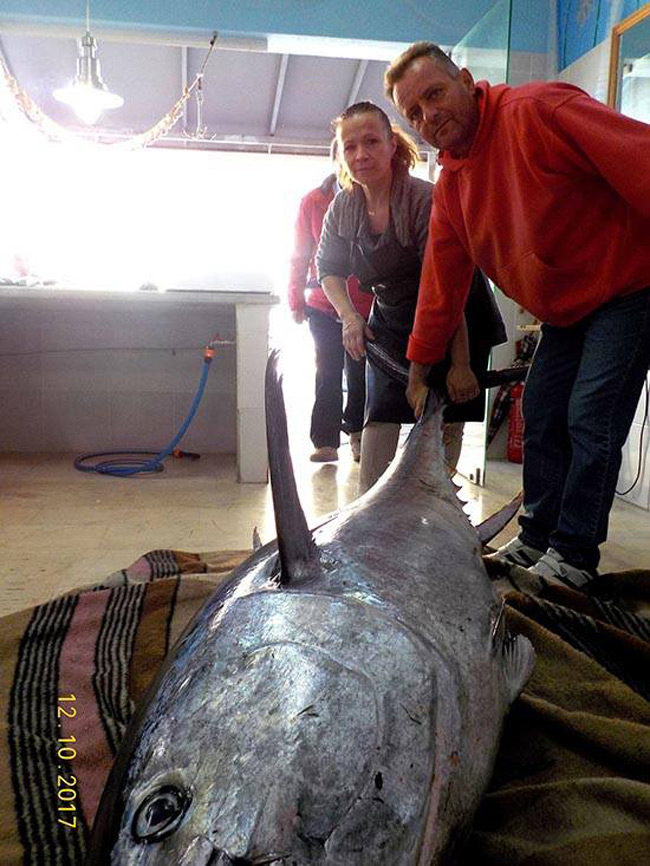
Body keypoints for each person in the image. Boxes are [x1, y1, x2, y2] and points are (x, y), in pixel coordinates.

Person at [384, 42, 650, 589]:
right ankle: (535, 537)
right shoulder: (453, 188)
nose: (429, 115)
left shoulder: (539, 111)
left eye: (435, 94)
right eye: (414, 112)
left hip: (630, 288)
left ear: (465, 80)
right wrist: (419, 368)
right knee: (544, 414)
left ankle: (573, 556)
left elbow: (642, 160)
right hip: (565, 312)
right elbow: (441, 283)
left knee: (589, 417)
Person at [316, 101, 505, 493]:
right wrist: (350, 317)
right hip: (393, 317)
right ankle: (370, 512)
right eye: (350, 146)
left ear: (392, 145)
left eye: (371, 142)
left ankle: (433, 509)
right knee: (380, 418)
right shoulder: (344, 206)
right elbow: (327, 268)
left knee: (442, 419)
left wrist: (460, 364)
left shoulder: (424, 200)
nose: (361, 154)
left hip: (457, 317)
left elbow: (444, 288)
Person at [288, 140, 372, 463]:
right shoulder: (313, 201)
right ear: (337, 159)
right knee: (327, 370)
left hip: (366, 305)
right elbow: (300, 254)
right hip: (322, 304)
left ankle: (358, 433)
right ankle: (325, 441)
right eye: (346, 151)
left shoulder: (374, 198)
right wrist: (295, 298)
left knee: (360, 372)